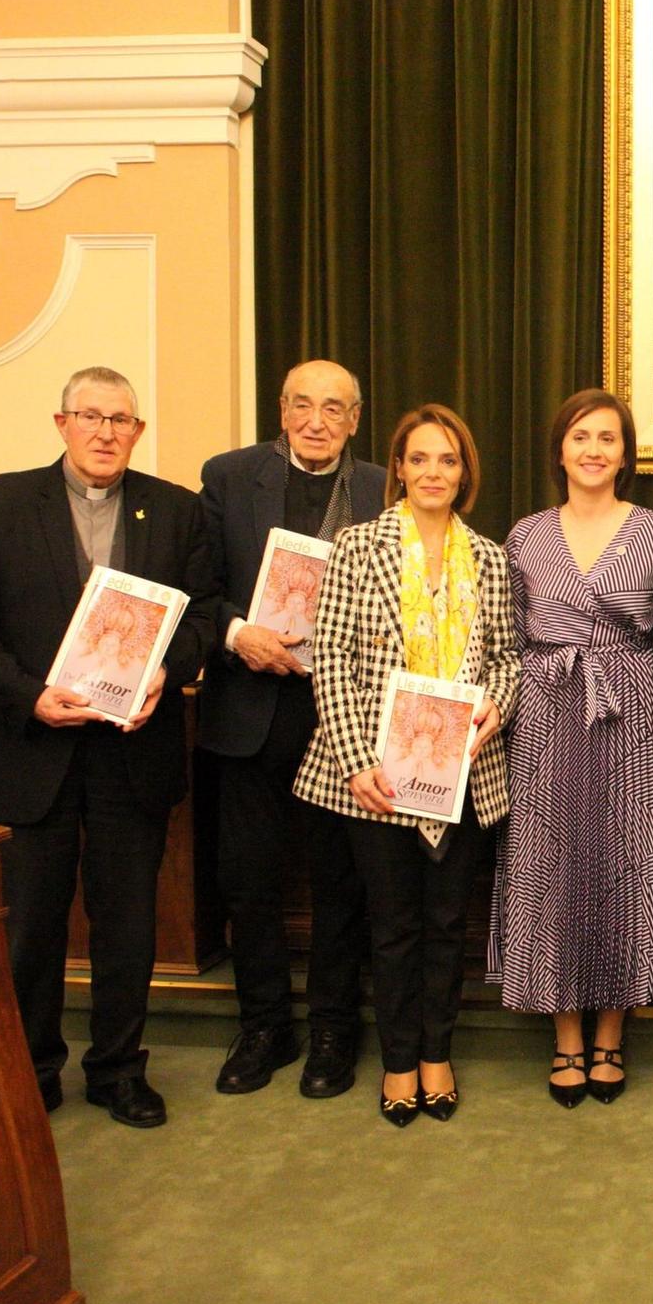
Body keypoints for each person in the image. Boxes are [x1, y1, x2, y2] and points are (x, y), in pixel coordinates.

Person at [0, 365, 219, 1128]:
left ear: (139, 431)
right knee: (31, 922)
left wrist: (167, 669)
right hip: (33, 747)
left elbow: (201, 619)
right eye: (90, 416)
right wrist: (30, 694)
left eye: (120, 419)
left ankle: (119, 1069)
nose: (105, 431)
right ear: (60, 422)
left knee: (128, 922)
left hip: (133, 748)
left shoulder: (177, 511)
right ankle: (31, 1067)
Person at [292, 405, 517, 1127]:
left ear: (464, 472)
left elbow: (509, 658)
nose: (432, 472)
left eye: (446, 460)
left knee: (447, 921)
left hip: (462, 769)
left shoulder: (489, 556)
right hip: (375, 778)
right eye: (419, 458)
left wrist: (496, 709)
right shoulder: (356, 546)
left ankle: (436, 1054)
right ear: (397, 467)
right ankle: (396, 1060)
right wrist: (358, 760)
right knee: (390, 923)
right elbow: (330, 658)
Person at [492, 390, 653, 1107]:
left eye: (608, 438)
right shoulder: (524, 535)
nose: (594, 449)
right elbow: (507, 635)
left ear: (625, 453)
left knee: (627, 856)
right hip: (545, 706)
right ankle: (565, 1038)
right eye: (581, 436)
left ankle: (613, 1030)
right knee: (552, 858)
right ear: (560, 449)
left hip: (633, 701)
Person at [197, 359, 386, 1101]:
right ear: (281, 408)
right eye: (303, 404)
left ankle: (335, 1030)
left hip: (347, 720)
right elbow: (196, 586)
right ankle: (265, 1025)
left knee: (342, 884)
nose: (316, 420)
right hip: (251, 710)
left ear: (355, 418)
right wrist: (238, 632)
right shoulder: (227, 475)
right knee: (250, 881)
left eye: (333, 407)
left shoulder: (382, 486)